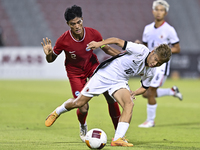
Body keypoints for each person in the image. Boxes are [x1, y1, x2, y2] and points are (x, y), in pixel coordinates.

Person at [45, 37, 172, 147]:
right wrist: (99, 44)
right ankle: (57, 111)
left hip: (120, 81)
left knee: (129, 103)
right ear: (153, 51)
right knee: (79, 103)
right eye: (155, 59)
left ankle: (118, 138)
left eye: (159, 63)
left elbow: (145, 86)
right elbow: (117, 41)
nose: (155, 63)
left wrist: (134, 92)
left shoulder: (151, 71)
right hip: (105, 74)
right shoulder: (141, 50)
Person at [41, 5, 121, 142]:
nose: (77, 26)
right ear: (68, 24)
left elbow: (106, 48)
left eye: (79, 22)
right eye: (73, 24)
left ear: (82, 19)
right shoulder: (63, 40)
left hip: (93, 67)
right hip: (75, 73)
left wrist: (123, 56)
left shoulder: (94, 34)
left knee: (110, 96)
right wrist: (48, 54)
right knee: (83, 107)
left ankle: (119, 135)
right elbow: (51, 60)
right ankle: (82, 125)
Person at [135, 0, 182, 128]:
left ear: (165, 13)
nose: (159, 12)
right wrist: (139, 45)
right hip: (150, 65)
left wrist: (162, 53)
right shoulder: (147, 29)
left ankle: (150, 121)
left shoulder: (169, 30)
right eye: (157, 9)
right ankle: (171, 91)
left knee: (149, 92)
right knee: (146, 93)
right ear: (153, 11)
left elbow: (177, 48)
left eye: (162, 10)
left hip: (161, 67)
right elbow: (145, 46)